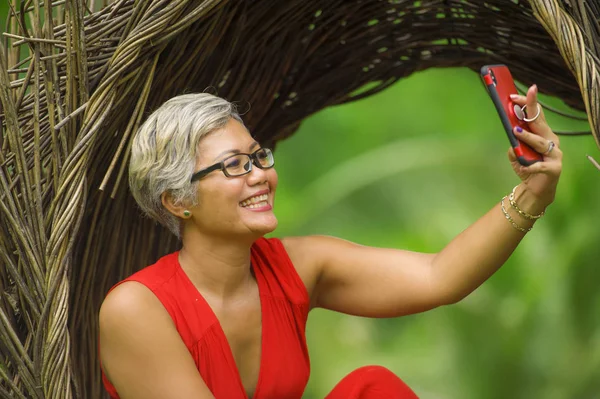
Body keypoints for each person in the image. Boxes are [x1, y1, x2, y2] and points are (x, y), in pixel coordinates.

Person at [98, 87, 562, 399]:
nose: (261, 175)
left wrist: (534, 191)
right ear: (179, 200)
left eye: (259, 157)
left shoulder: (299, 265)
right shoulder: (136, 309)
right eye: (235, 166)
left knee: (372, 388)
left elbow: (440, 276)